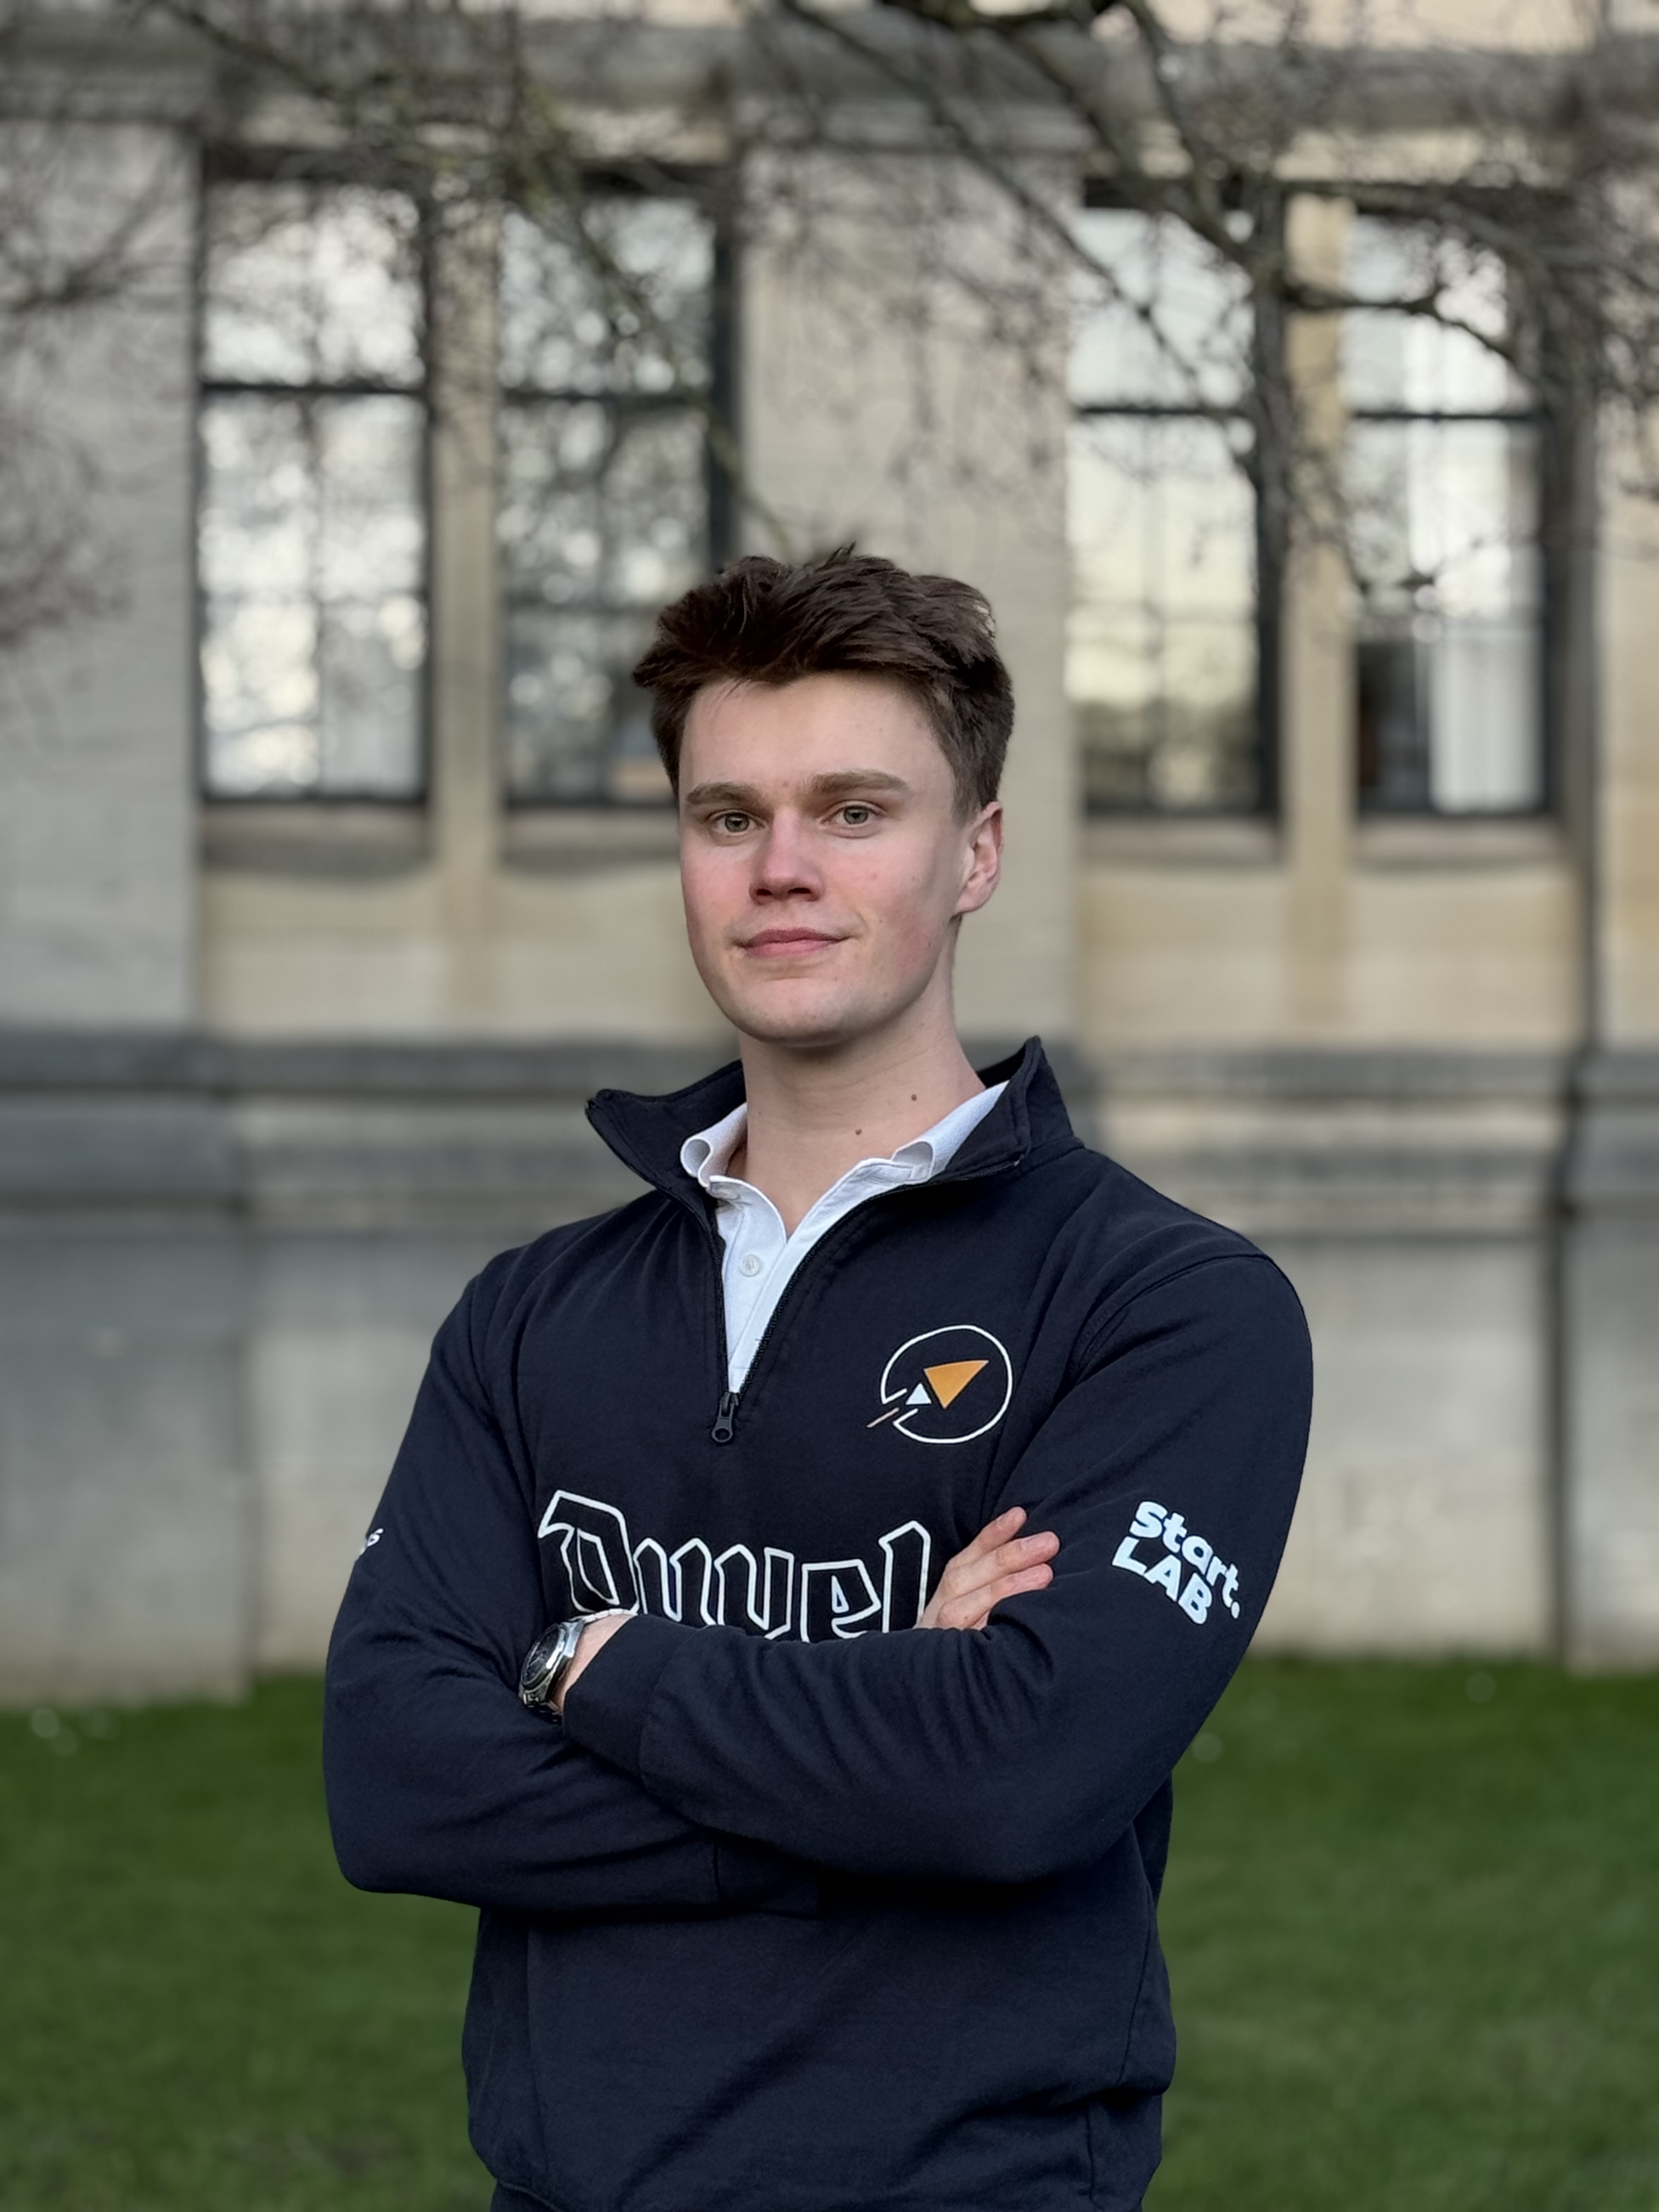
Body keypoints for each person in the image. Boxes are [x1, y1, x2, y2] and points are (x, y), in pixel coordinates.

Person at [323, 548, 1313, 2212]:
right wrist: (875, 1731)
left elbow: (1019, 1780)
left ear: (975, 853)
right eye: (729, 818)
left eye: (856, 811)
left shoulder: (1168, 1308)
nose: (782, 868)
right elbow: (396, 1780)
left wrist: (587, 1664)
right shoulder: (531, 1315)